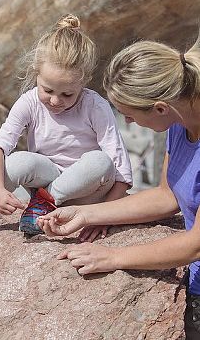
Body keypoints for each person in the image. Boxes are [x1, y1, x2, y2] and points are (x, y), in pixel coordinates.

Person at [0, 14, 132, 253]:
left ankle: (46, 201)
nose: (55, 100)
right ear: (36, 73)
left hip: (87, 190)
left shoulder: (96, 106)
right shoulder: (29, 102)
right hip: (45, 183)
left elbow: (120, 169)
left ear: (84, 81)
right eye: (48, 89)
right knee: (17, 160)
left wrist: (104, 216)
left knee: (100, 161)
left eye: (67, 94)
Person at [37, 32, 200, 338]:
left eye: (129, 115)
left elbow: (195, 244)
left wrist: (112, 258)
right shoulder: (180, 124)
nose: (127, 123)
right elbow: (167, 196)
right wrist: (88, 215)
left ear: (161, 108)